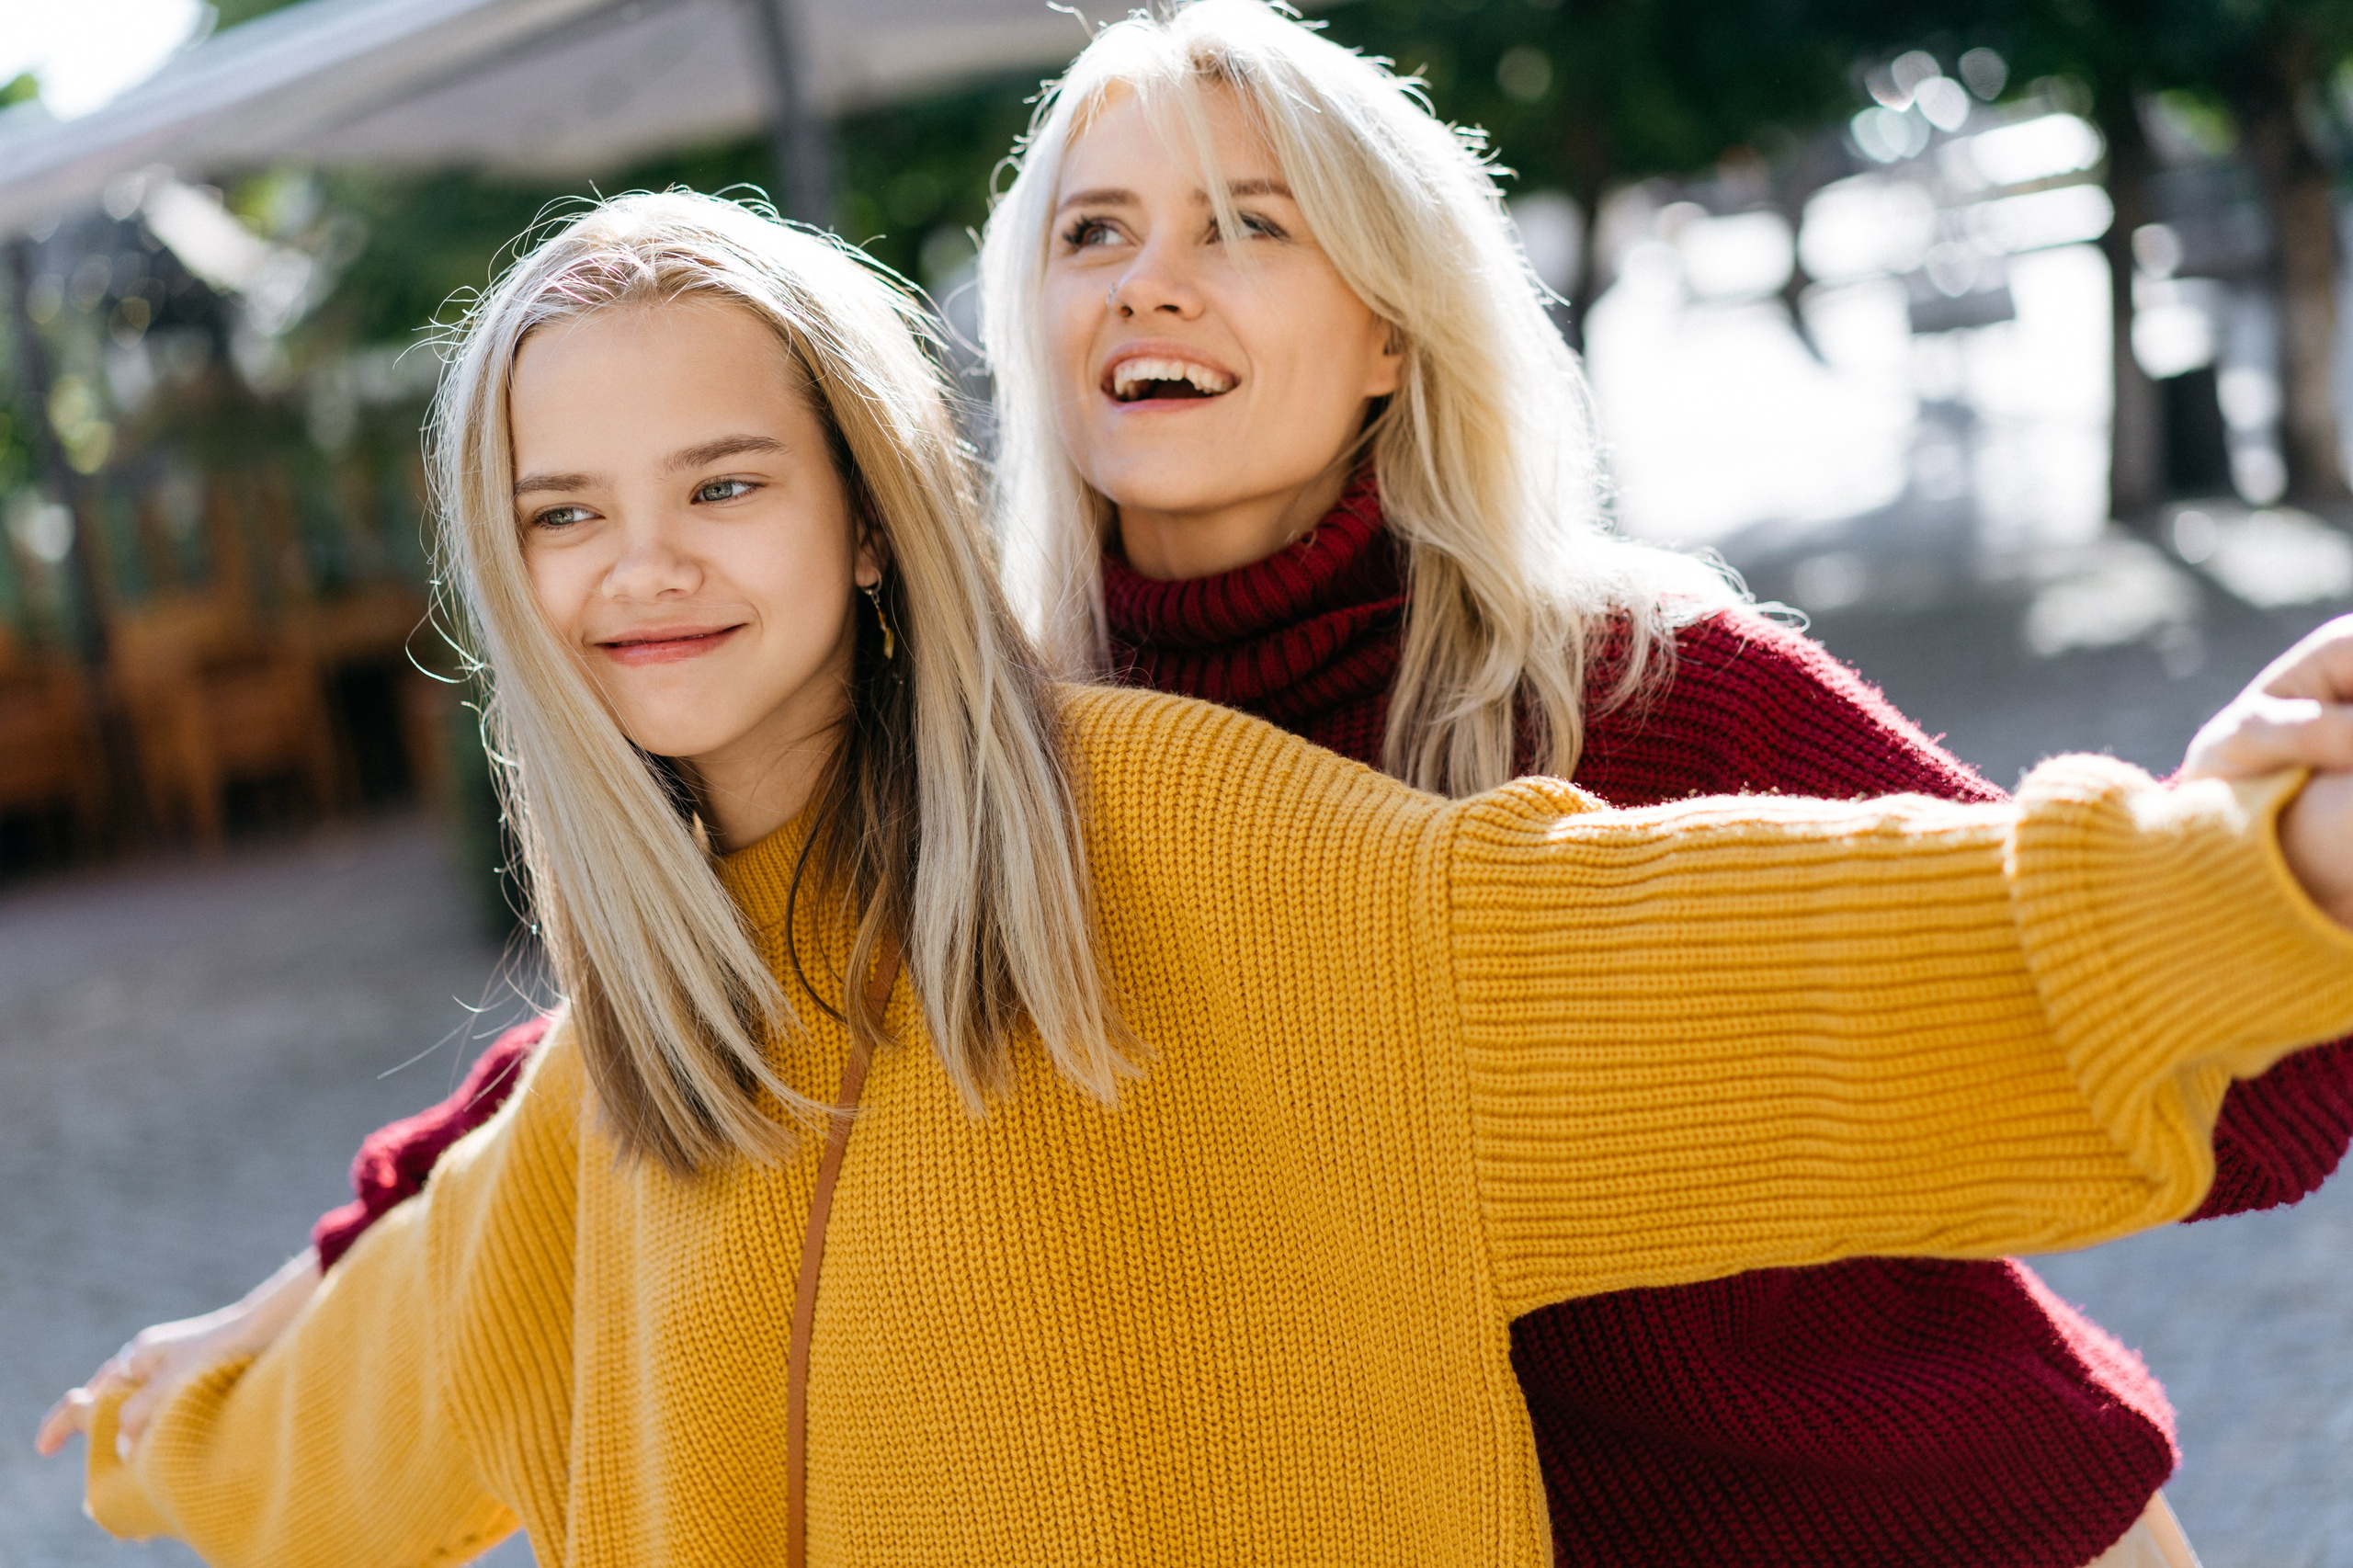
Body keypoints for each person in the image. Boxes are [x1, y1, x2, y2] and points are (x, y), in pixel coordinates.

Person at [38, 7, 2353, 1565]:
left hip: (1926, 1528)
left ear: (1387, 333)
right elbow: (674, 1023)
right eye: (1092, 229)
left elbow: (1959, 971)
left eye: (1254, 224)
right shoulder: (1019, 756)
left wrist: (2249, 868)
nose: (1160, 277)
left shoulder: (1617, 684)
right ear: (1025, 334)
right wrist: (317, 1268)